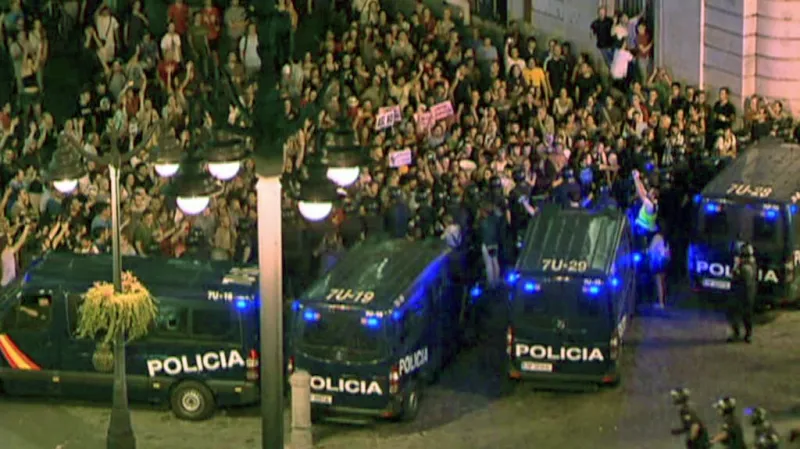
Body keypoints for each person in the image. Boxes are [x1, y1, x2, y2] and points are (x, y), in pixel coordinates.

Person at [728, 242, 757, 343]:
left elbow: (742, 277)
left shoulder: (748, 265)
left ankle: (747, 334)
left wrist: (736, 269)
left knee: (746, 314)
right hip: (740, 292)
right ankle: (737, 333)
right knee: (735, 313)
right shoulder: (744, 263)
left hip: (746, 293)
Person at [648, 229, 670, 309]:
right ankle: (663, 301)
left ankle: (661, 302)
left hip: (658, 262)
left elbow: (651, 250)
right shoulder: (665, 239)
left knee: (659, 283)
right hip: (665, 261)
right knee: (663, 282)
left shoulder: (656, 237)